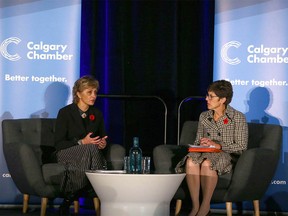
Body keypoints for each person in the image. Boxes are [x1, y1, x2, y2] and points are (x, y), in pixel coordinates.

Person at [176, 80, 248, 216]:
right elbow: (198, 140)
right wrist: (202, 143)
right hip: (205, 152)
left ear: (222, 100)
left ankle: (205, 206)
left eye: (211, 96)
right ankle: (195, 206)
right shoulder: (204, 116)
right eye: (207, 95)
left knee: (207, 163)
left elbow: (241, 146)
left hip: (225, 154)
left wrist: (218, 145)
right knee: (191, 161)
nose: (206, 99)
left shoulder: (237, 117)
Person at [54, 75, 108, 215]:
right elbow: (59, 143)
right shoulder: (65, 113)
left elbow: (101, 138)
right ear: (78, 93)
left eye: (95, 92)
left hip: (89, 155)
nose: (94, 96)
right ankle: (94, 186)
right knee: (89, 147)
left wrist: (102, 143)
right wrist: (81, 142)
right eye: (89, 92)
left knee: (90, 148)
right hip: (66, 153)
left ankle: (71, 196)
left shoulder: (97, 113)